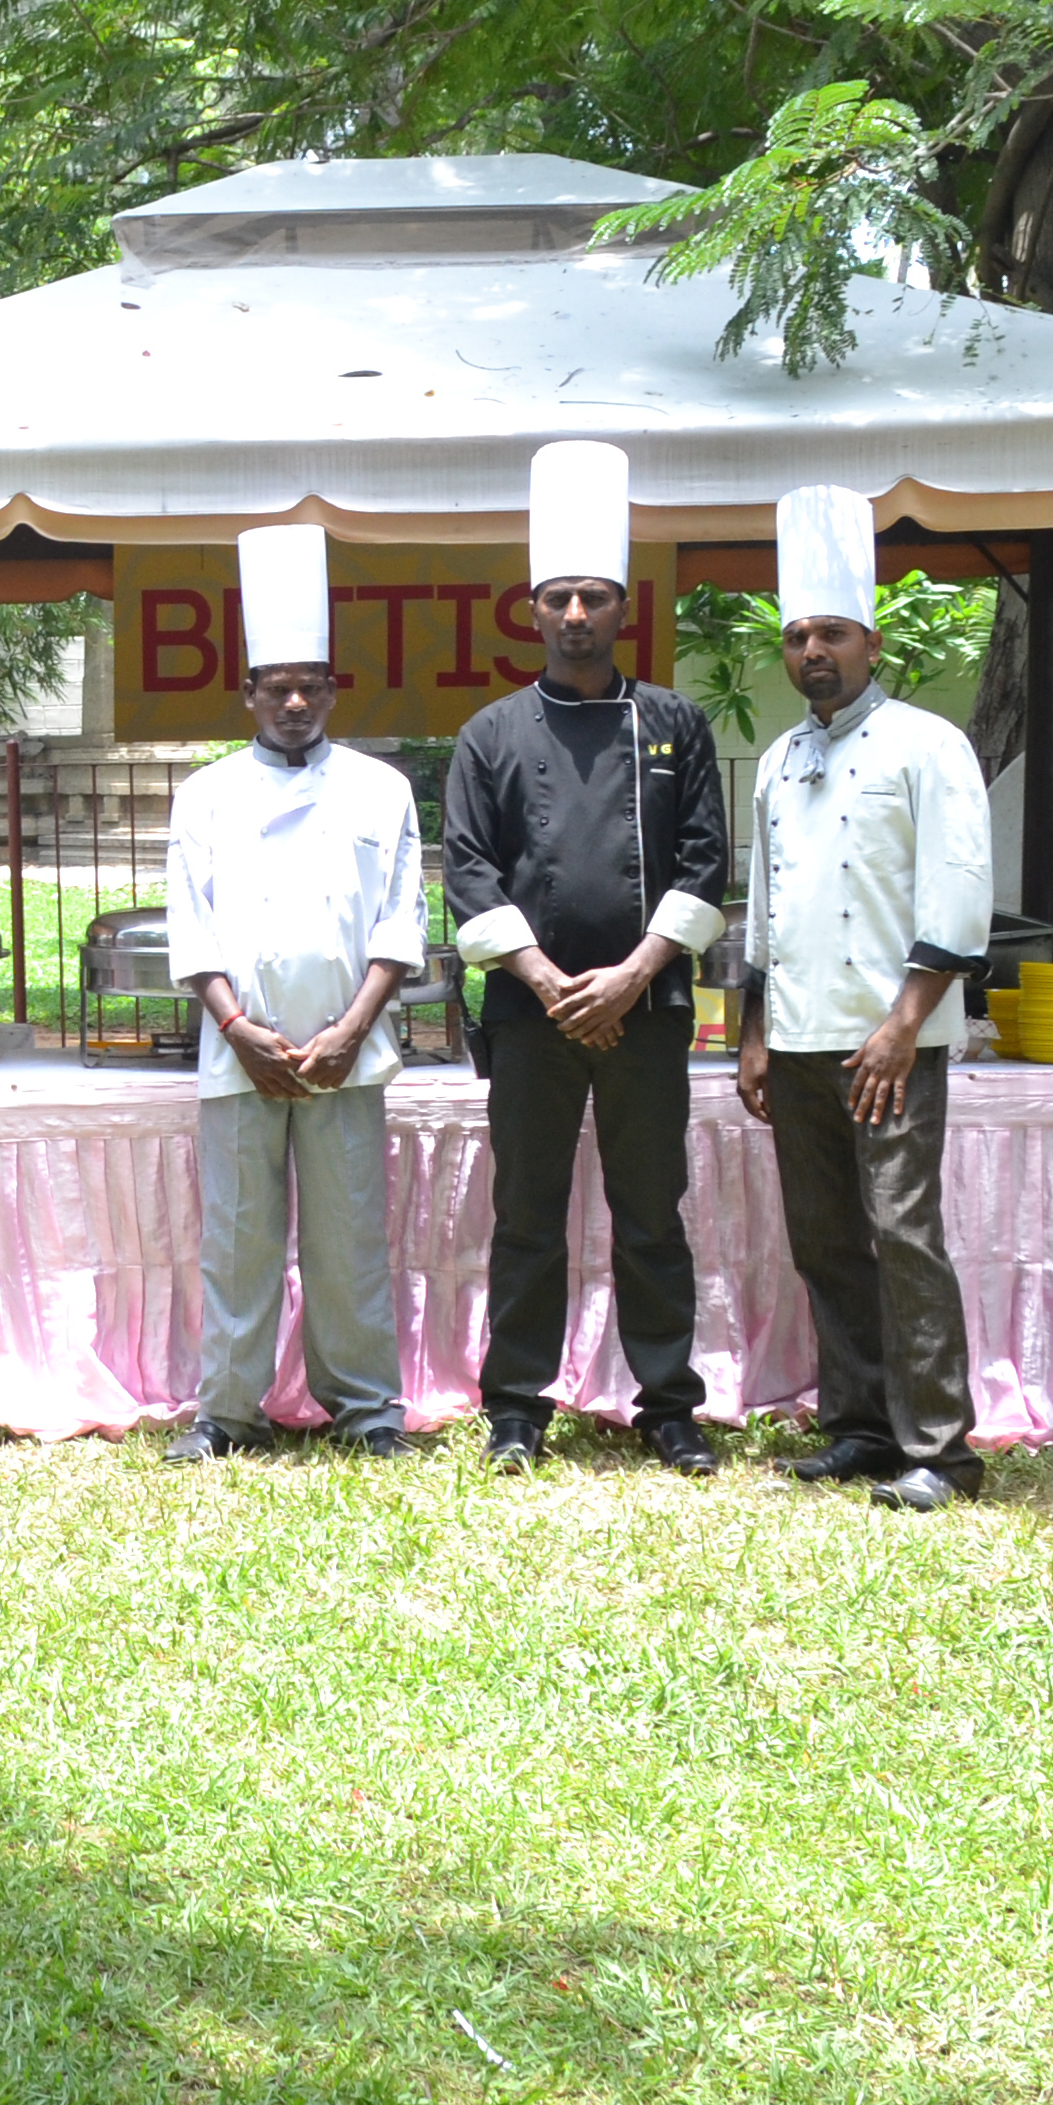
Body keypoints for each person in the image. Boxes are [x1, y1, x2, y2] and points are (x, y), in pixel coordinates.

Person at [444, 439, 736, 1474]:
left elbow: (708, 865)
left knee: (652, 1213)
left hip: (646, 1014)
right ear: (531, 610)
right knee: (525, 1216)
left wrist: (633, 975)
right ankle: (515, 1407)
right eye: (559, 597)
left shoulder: (675, 724)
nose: (577, 615)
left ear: (624, 612)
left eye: (595, 598)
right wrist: (544, 980)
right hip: (532, 1018)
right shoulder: (488, 735)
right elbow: (469, 874)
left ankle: (668, 1405)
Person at [736, 485, 1000, 1513]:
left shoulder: (930, 745)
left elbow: (959, 893)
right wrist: (752, 1034)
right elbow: (764, 907)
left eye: (833, 633)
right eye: (800, 635)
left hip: (893, 1038)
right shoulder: (779, 757)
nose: (815, 651)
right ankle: (856, 1427)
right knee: (825, 1237)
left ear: (873, 641)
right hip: (797, 1037)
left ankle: (939, 1448)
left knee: (902, 1232)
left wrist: (904, 1025)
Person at [160, 523, 425, 1461]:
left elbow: (401, 921)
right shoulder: (204, 794)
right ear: (250, 695)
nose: (297, 700)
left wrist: (353, 1030)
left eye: (313, 682)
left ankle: (368, 1412)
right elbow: (190, 924)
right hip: (242, 1054)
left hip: (347, 1054)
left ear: (334, 689)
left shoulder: (383, 790)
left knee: (350, 1241)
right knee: (236, 1242)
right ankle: (226, 1413)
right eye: (279, 686)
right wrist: (238, 1029)